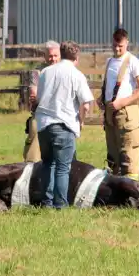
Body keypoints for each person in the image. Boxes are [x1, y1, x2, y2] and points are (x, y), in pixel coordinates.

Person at [34, 40, 95, 208]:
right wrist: (81, 121)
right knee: (63, 167)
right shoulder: (76, 74)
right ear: (76, 56)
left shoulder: (46, 72)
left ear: (61, 53)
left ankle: (46, 202)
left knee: (47, 164)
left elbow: (38, 99)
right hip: (64, 125)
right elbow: (86, 104)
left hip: (44, 124)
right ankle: (60, 204)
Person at [100, 28, 139, 180]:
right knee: (113, 156)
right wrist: (102, 99)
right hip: (111, 113)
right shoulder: (109, 62)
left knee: (129, 156)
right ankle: (115, 191)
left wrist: (122, 102)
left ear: (127, 43)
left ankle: (132, 193)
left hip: (126, 113)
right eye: (114, 45)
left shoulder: (132, 61)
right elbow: (110, 86)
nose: (117, 48)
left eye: (120, 46)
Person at [24, 41, 61, 163]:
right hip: (40, 114)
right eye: (50, 56)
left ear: (60, 55)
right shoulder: (36, 72)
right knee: (34, 132)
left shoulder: (64, 71)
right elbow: (34, 95)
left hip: (60, 115)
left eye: (56, 55)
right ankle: (31, 168)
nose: (53, 59)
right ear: (45, 56)